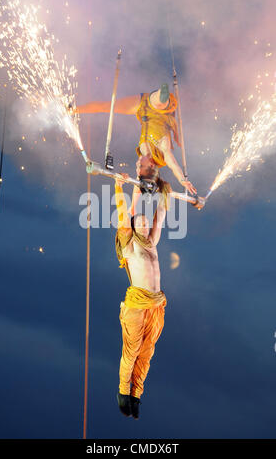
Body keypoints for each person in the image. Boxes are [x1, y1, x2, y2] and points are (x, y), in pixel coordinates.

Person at [73, 84, 197, 207]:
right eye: (140, 165)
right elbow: (173, 164)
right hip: (161, 111)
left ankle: (72, 109)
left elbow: (138, 185)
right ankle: (161, 94)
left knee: (108, 106)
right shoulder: (163, 153)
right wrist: (182, 179)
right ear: (151, 165)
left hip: (142, 108)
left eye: (138, 167)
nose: (137, 163)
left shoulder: (144, 155)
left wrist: (132, 208)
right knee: (159, 102)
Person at [114, 172, 171, 419]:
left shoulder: (152, 243)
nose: (147, 224)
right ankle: (123, 392)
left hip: (156, 307)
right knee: (132, 351)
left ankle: (136, 395)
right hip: (137, 304)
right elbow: (124, 216)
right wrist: (121, 187)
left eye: (148, 223)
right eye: (142, 221)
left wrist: (165, 191)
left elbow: (161, 216)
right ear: (135, 225)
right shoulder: (130, 244)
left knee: (146, 353)